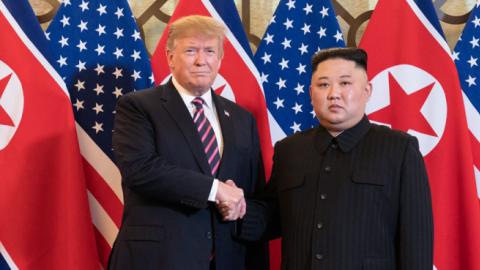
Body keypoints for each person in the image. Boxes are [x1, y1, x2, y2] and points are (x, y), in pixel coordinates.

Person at [221, 47, 434, 269]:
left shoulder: (399, 149)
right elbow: (271, 218)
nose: (333, 93)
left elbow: (416, 240)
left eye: (345, 83)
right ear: (311, 93)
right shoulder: (289, 150)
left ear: (367, 90)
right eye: (323, 85)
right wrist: (236, 206)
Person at [108, 15, 266, 270]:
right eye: (191, 50)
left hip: (228, 259)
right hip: (159, 259)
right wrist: (216, 190)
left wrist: (240, 209)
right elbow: (141, 170)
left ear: (220, 59)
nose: (201, 60)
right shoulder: (138, 106)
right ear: (170, 57)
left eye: (210, 51)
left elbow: (254, 192)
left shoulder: (242, 118)